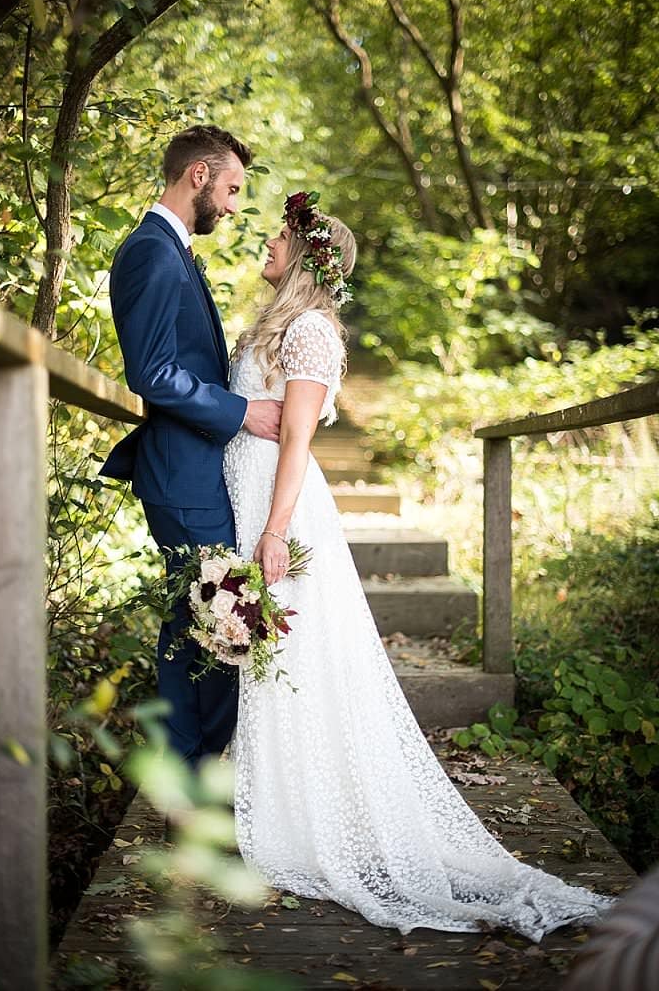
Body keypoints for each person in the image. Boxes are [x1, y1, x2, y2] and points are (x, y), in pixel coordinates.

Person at [221, 190, 618, 941]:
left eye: (279, 238)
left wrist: (274, 533)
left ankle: (308, 816)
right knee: (271, 655)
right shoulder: (273, 327)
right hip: (246, 498)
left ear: (308, 259)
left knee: (292, 653)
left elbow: (297, 441)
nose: (266, 245)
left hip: (281, 508)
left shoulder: (309, 332)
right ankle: (280, 799)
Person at [99, 125, 282, 775]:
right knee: (219, 624)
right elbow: (150, 373)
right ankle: (195, 772)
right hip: (182, 477)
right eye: (232, 188)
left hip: (192, 473)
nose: (234, 204)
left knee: (197, 625)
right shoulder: (152, 250)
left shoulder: (172, 249)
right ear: (198, 176)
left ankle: (190, 775)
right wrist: (244, 412)